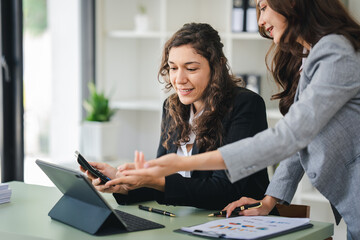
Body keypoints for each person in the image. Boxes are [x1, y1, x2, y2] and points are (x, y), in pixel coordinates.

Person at [122, 1, 360, 238]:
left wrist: (182, 163)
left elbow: (289, 137)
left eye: (264, 6)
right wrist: (268, 201)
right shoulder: (312, 56)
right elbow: (299, 142)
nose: (260, 20)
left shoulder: (335, 52)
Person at [82, 22, 275, 211]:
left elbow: (225, 190)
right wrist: (122, 182)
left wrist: (154, 180)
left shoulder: (245, 105)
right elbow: (162, 184)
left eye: (191, 69)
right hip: (190, 220)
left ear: (217, 67)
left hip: (239, 221)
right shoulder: (172, 107)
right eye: (173, 68)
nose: (179, 79)